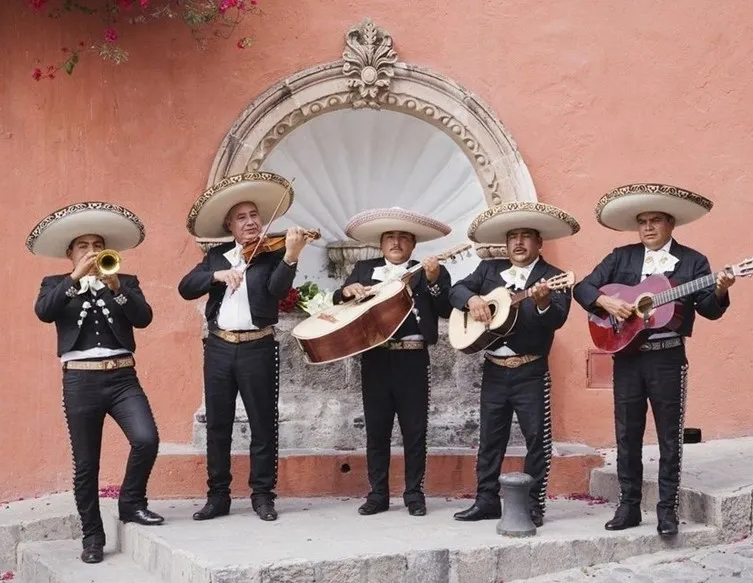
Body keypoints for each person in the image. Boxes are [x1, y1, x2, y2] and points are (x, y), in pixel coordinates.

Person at [572, 183, 735, 536]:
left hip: (667, 357)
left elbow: (709, 310)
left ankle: (666, 511)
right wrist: (607, 302)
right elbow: (582, 288)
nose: (647, 227)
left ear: (670, 224)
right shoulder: (621, 257)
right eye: (642, 221)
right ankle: (628, 507)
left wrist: (720, 288)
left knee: (668, 438)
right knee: (626, 434)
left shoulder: (693, 262)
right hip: (627, 358)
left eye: (655, 220)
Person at [28, 202, 163, 564]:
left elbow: (144, 318)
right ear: (70, 253)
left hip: (122, 377)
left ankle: (131, 503)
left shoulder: (125, 281)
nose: (91, 251)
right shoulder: (55, 284)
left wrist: (117, 286)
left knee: (147, 438)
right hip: (80, 382)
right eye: (84, 246)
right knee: (86, 464)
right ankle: (92, 535)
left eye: (97, 245)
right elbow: (44, 312)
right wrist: (74, 280)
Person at [178, 172, 310, 522]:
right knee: (218, 424)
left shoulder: (271, 255)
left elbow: (277, 291)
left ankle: (263, 495)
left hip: (257, 347)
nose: (250, 222)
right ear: (230, 225)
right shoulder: (217, 256)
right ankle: (217, 496)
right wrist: (216, 276)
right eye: (242, 217)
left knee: (263, 424)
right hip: (219, 347)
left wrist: (292, 257)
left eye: (254, 216)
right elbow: (186, 287)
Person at [449, 201, 580, 527]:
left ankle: (533, 506)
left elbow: (559, 319)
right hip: (494, 368)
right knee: (490, 438)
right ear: (506, 244)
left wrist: (543, 302)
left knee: (537, 439)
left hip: (531, 371)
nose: (519, 243)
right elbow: (455, 290)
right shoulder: (489, 271)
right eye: (513, 237)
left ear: (539, 243)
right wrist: (473, 299)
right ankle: (486, 500)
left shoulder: (555, 277)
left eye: (526, 237)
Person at [333, 207, 453, 517]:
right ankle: (378, 494)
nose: (396, 242)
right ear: (381, 243)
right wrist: (347, 291)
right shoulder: (363, 268)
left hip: (412, 359)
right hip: (375, 358)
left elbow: (444, 307)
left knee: (414, 430)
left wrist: (434, 279)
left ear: (413, 244)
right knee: (377, 429)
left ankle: (414, 494)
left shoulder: (428, 270)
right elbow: (338, 299)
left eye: (403, 238)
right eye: (390, 237)